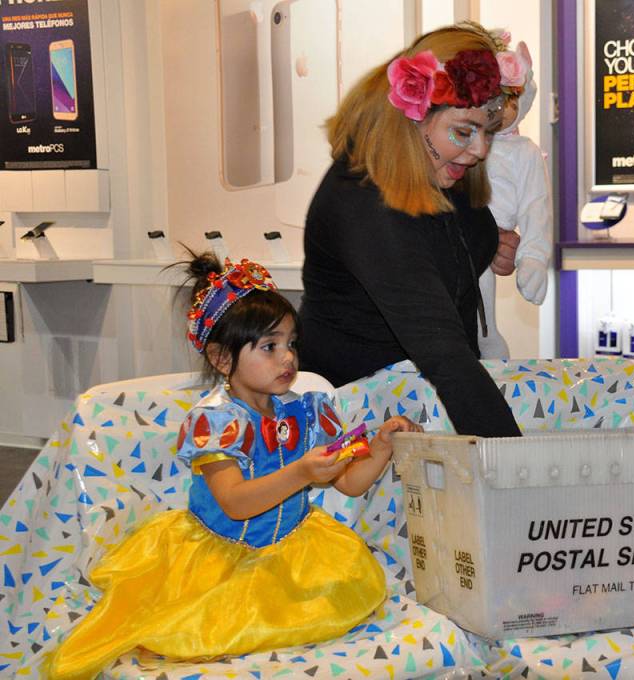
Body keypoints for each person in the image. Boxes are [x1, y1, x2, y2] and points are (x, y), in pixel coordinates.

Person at [48, 253, 421, 679]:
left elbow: (350, 484)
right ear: (223, 359)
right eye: (269, 346)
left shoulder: (307, 412)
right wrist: (300, 472)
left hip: (296, 550)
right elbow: (236, 503)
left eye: (291, 343)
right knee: (200, 629)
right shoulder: (217, 422)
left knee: (345, 592)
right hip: (218, 562)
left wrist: (379, 448)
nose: (288, 359)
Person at [300, 22, 523, 436]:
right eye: (463, 132)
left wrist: (491, 245)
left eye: (487, 132)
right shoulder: (364, 202)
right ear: (414, 117)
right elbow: (444, 352)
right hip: (357, 425)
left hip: (418, 403)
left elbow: (452, 240)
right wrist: (518, 473)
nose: (479, 150)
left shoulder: (438, 169)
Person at [477, 39, 553, 359]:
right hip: (469, 240)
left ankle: (486, 336)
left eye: (511, 99)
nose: (502, 110)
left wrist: (533, 256)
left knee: (481, 299)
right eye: (494, 99)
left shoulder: (526, 152)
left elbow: (537, 207)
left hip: (490, 243)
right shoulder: (465, 141)